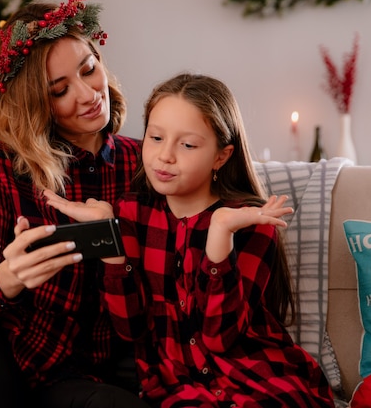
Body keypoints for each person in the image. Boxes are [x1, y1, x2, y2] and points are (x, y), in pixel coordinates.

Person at [0, 0, 150, 407]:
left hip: (71, 375)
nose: (88, 94)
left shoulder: (146, 164)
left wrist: (116, 246)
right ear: (35, 102)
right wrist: (8, 277)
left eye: (88, 69)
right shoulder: (2, 163)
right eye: (59, 90)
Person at [44, 73, 336, 407]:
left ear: (221, 157)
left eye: (187, 145)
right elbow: (130, 327)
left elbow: (219, 337)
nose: (165, 156)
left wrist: (220, 239)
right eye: (155, 138)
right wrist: (108, 239)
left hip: (258, 378)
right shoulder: (131, 213)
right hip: (178, 387)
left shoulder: (253, 222)